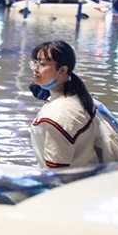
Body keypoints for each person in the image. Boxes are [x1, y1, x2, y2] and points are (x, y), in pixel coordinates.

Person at [27, 40, 101, 169]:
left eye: (42, 64)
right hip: (86, 176)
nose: (35, 69)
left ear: (62, 70)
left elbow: (57, 173)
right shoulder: (78, 97)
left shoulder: (58, 115)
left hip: (71, 185)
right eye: (35, 62)